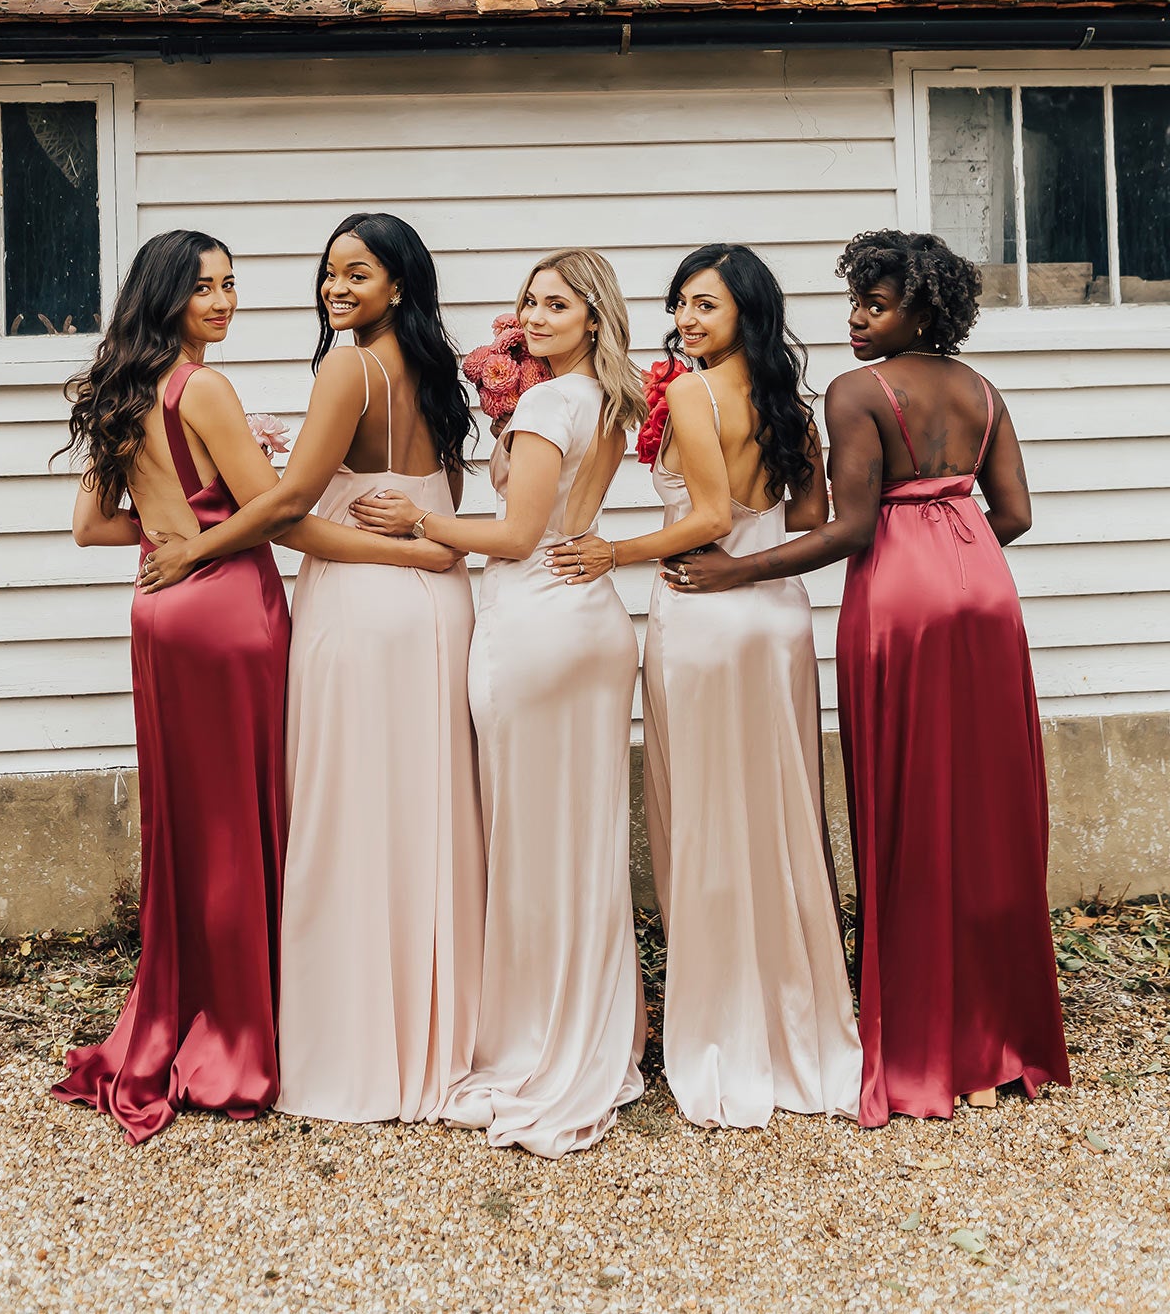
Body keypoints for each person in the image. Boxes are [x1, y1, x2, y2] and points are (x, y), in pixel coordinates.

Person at [663, 230, 1071, 1126]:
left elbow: (848, 531)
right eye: (854, 301)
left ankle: (924, 1041)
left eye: (874, 306)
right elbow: (1015, 513)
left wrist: (736, 570)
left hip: (899, 601)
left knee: (910, 805)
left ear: (924, 312)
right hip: (986, 597)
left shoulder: (858, 391)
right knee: (990, 808)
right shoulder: (983, 391)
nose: (855, 319)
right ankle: (1007, 1043)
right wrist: (956, 554)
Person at [53, 229, 411, 1144]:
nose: (223, 300)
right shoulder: (204, 387)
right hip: (225, 614)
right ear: (167, 295)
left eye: (231, 284)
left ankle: (187, 1010)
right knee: (244, 821)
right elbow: (281, 509)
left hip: (158, 611)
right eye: (204, 287)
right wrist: (396, 546)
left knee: (189, 822)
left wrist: (173, 529)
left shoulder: (124, 390)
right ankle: (245, 1037)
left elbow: (95, 527)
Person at [138, 213, 483, 1125]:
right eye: (329, 273)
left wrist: (193, 548)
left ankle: (358, 1050)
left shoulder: (348, 365)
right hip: (440, 610)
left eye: (357, 275)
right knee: (429, 815)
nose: (336, 288)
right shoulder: (437, 371)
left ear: (398, 286)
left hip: (365, 601)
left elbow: (289, 512)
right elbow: (427, 499)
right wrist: (431, 556)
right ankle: (441, 1033)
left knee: (351, 818)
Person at [548, 244, 862, 1127]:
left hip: (701, 608)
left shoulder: (687, 394)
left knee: (706, 810)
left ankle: (723, 1025)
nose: (687, 321)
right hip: (779, 614)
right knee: (778, 810)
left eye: (706, 306)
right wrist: (753, 563)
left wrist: (614, 550)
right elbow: (805, 521)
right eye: (681, 304)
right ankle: (795, 1018)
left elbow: (710, 519)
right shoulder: (793, 410)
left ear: (745, 314)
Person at [357, 249, 647, 1157]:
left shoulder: (552, 404)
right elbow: (563, 523)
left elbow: (518, 536)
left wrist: (420, 523)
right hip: (592, 623)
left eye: (557, 304)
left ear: (594, 318)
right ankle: (597, 1031)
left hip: (536, 628)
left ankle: (541, 1046)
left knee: (529, 842)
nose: (535, 315)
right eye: (529, 301)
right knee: (582, 840)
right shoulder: (605, 399)